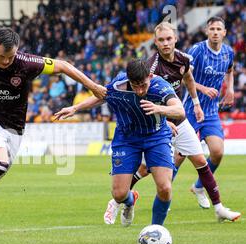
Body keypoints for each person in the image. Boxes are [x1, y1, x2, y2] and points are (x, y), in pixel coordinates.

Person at [0, 27, 106, 244]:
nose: (6, 61)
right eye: (1, 56)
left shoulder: (28, 63)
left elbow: (64, 66)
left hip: (14, 127)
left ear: (17, 51)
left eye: (10, 56)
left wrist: (93, 86)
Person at [103, 22, 240, 224]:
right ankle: (119, 200)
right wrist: (163, 121)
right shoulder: (151, 68)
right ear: (155, 43)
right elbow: (143, 100)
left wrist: (196, 104)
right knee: (146, 168)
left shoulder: (183, 58)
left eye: (169, 39)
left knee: (201, 161)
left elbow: (189, 79)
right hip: (157, 123)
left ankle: (219, 208)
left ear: (175, 38)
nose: (166, 43)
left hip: (180, 117)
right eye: (161, 40)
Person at [55, 59, 185, 227]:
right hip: (127, 138)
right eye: (135, 85)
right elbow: (102, 95)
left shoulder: (160, 86)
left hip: (156, 136)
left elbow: (179, 110)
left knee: (165, 188)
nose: (139, 90)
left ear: (150, 76)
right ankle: (130, 201)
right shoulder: (118, 85)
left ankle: (156, 230)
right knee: (119, 194)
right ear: (128, 79)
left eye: (143, 85)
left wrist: (160, 109)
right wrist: (75, 108)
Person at [184, 16, 236, 211]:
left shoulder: (228, 52)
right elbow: (183, 77)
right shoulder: (197, 51)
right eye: (212, 28)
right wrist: (203, 89)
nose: (215, 32)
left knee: (217, 152)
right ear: (207, 31)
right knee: (179, 156)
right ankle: (165, 192)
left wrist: (229, 89)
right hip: (190, 109)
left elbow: (230, 70)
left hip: (211, 111)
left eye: (218, 29)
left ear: (224, 32)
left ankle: (198, 187)